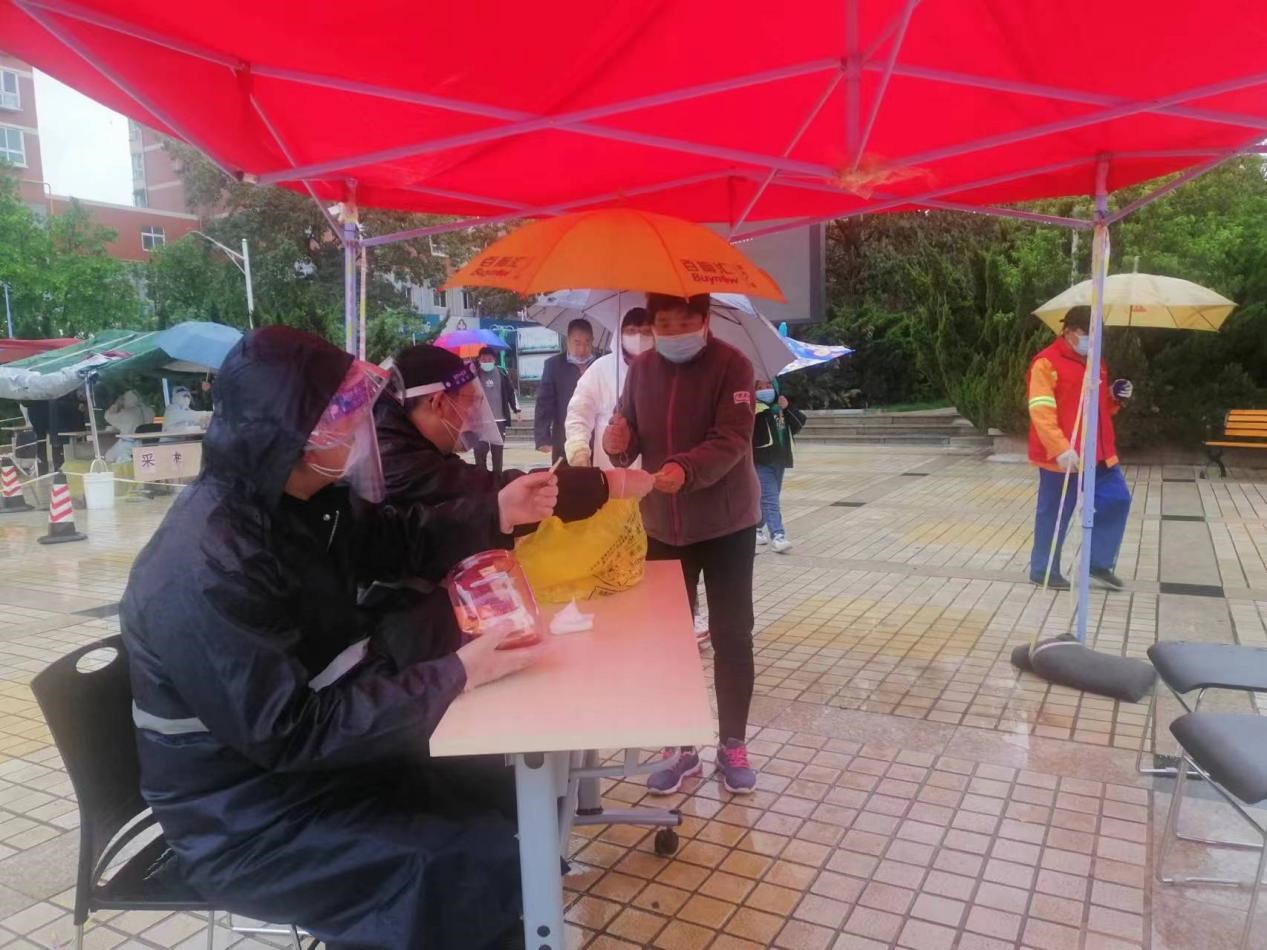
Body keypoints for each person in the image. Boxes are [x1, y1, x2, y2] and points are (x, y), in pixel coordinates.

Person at [121, 326, 562, 949]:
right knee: (456, 860)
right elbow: (290, 731)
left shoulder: (302, 503)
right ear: (290, 433)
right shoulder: (205, 565)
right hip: (247, 817)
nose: (360, 430)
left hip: (315, 772)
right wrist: (458, 673)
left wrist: (496, 511)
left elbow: (395, 538)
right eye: (346, 416)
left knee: (503, 790)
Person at [603, 292, 761, 796]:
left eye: (683, 322)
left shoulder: (733, 365)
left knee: (732, 634)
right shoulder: (641, 370)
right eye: (664, 324)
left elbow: (732, 438)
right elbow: (627, 438)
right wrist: (615, 442)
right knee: (669, 639)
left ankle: (732, 744)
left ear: (705, 320)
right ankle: (679, 746)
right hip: (661, 526)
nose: (672, 333)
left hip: (727, 523)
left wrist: (686, 469)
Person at [376, 342, 648, 521]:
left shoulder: (401, 444)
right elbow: (485, 489)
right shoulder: (397, 465)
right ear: (437, 403)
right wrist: (603, 483)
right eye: (469, 403)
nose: (470, 418)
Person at [1027, 304, 1133, 591]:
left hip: (1099, 453)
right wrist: (1060, 447)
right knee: (1055, 514)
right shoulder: (1046, 363)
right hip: (1063, 457)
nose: (1093, 340)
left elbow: (1097, 408)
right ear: (1069, 331)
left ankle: (1097, 563)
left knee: (1118, 499)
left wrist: (1114, 396)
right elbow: (1041, 410)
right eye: (1088, 334)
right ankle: (1043, 570)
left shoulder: (1096, 362)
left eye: (1097, 335)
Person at [564, 307, 652, 469]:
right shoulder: (601, 369)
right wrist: (578, 450)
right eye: (632, 331)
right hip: (611, 470)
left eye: (646, 332)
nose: (639, 338)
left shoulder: (666, 371)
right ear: (620, 334)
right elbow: (579, 413)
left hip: (658, 470)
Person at [753, 378, 805, 553]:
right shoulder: (753, 410)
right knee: (771, 499)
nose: (764, 389)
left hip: (780, 461)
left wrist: (787, 408)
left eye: (768, 385)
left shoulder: (780, 408)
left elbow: (798, 424)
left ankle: (757, 527)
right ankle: (778, 536)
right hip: (761, 462)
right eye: (759, 387)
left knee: (768, 499)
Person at [535, 318, 593, 463]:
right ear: (568, 341)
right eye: (577, 343)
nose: (582, 349)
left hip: (595, 437)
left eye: (587, 343)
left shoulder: (600, 364)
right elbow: (544, 403)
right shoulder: (554, 365)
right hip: (564, 438)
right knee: (564, 475)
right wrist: (542, 437)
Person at [473, 346, 518, 475]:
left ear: (494, 360)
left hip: (499, 420)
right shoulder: (475, 374)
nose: (486, 362)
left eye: (489, 359)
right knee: (480, 451)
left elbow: (510, 392)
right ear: (479, 360)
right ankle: (481, 479)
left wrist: (517, 409)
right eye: (483, 359)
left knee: (497, 452)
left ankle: (497, 479)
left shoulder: (502, 373)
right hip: (480, 421)